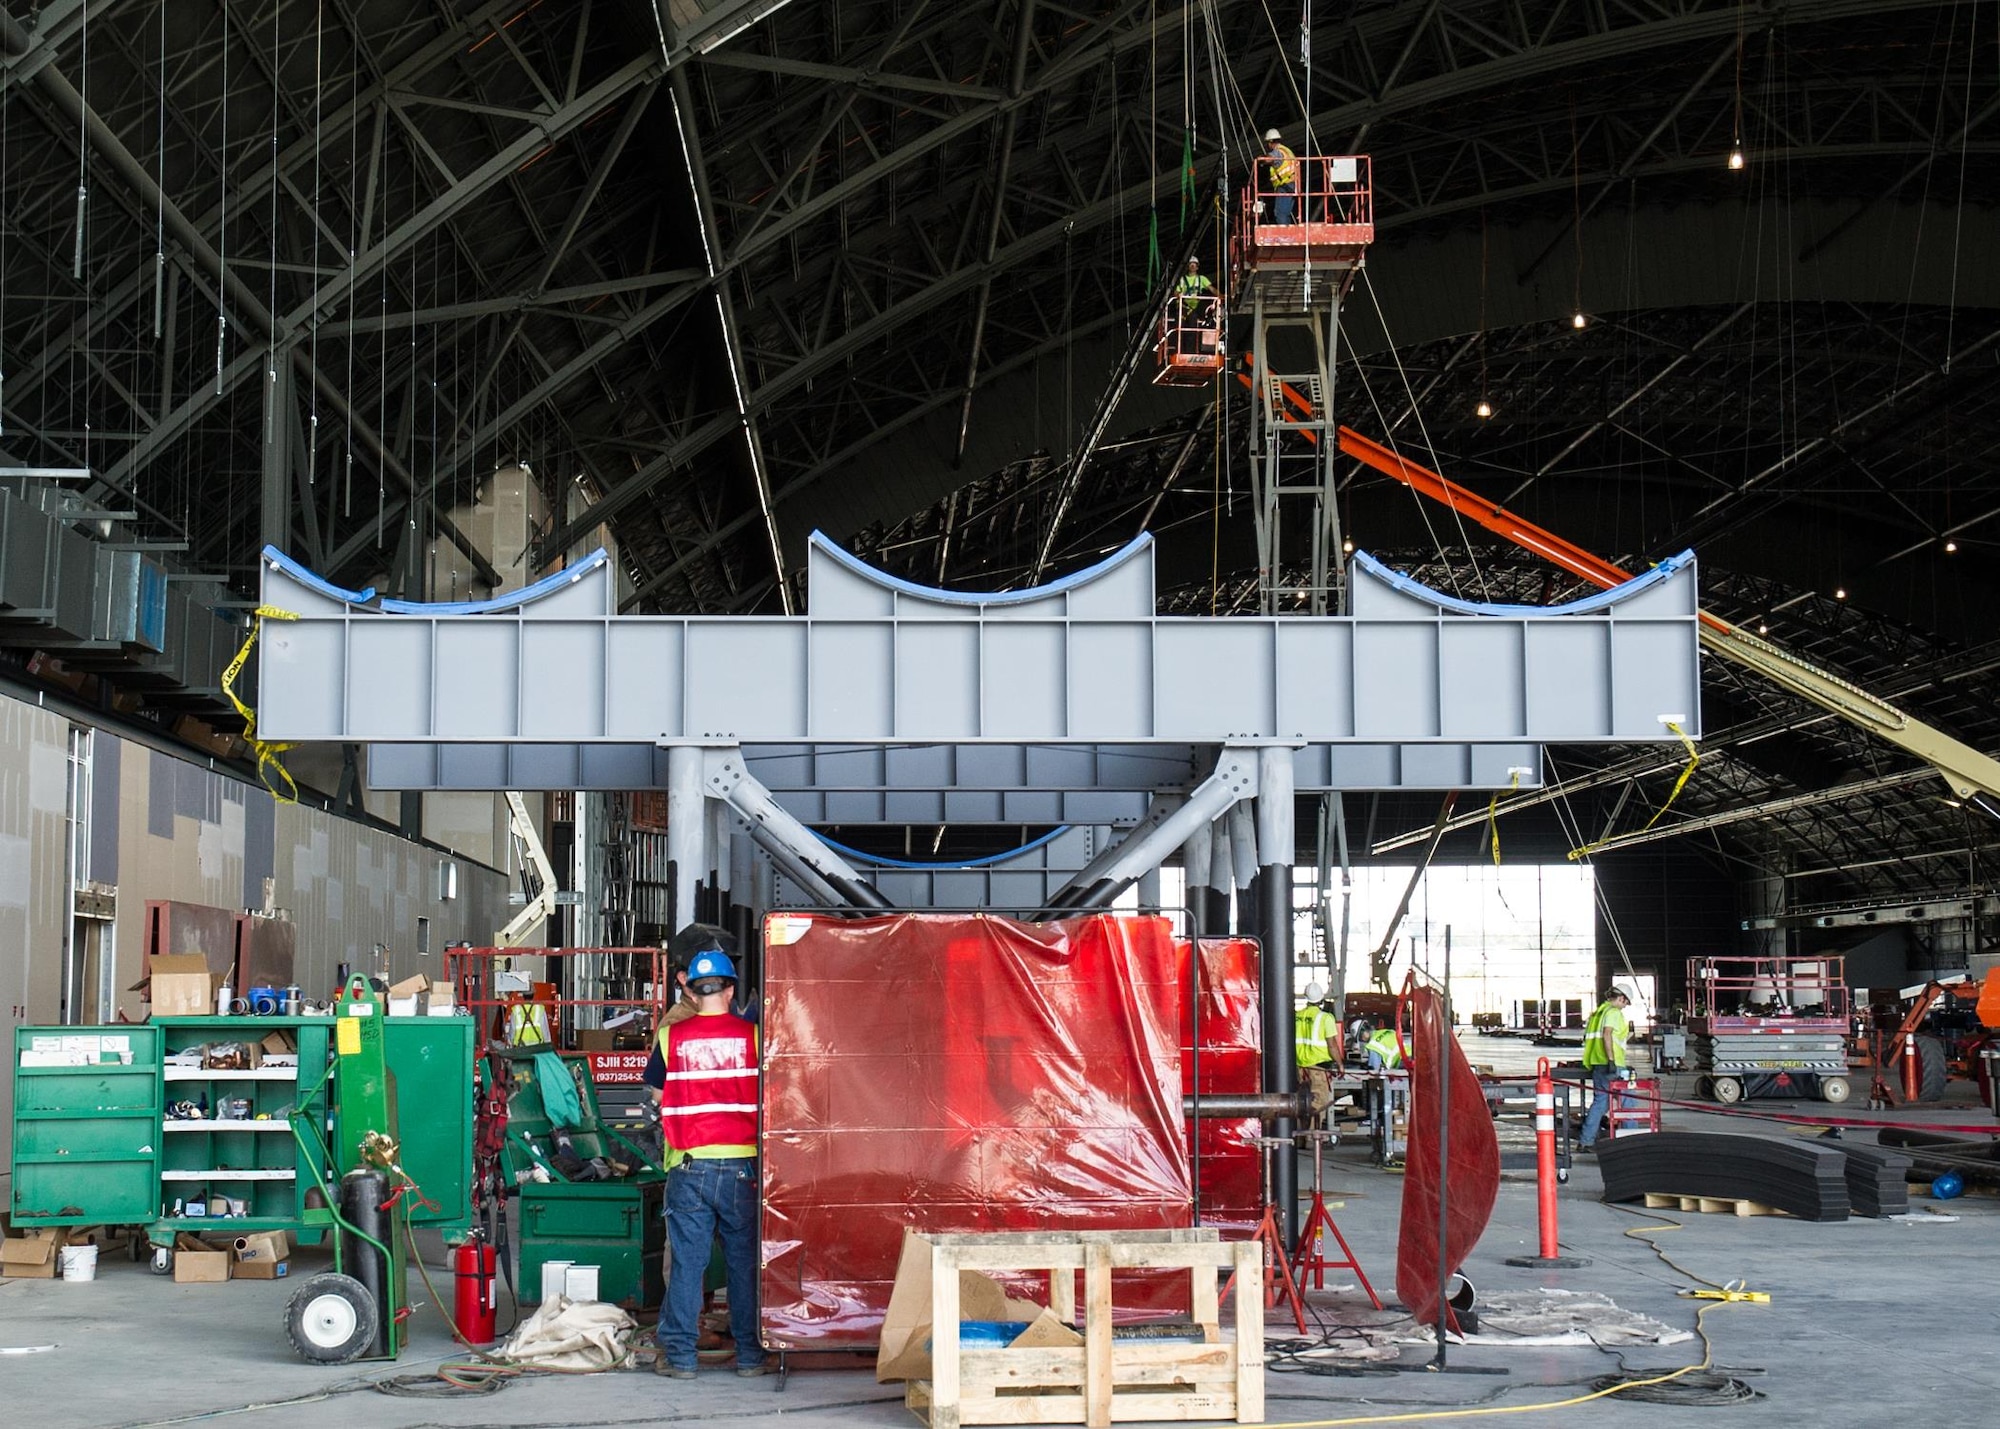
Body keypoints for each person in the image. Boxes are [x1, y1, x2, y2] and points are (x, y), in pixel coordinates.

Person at [646, 947, 768, 1380]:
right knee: (743, 1264)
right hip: (743, 1168)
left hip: (689, 1165)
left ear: (694, 994)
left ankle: (680, 1358)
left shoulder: (670, 1038)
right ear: (730, 989)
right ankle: (751, 1356)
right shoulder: (754, 1036)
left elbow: (659, 1097)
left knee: (687, 1265)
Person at [1578, 987, 1633, 1150]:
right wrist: (1611, 1060)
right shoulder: (1614, 1012)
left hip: (1597, 1063)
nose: (1625, 1006)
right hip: (1612, 1065)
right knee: (1628, 1100)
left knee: (1601, 1102)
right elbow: (1607, 1034)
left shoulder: (1598, 1012)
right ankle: (1632, 1141)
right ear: (1621, 998)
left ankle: (1586, 1141)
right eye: (1626, 1002)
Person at [1294, 981, 1338, 1123]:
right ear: (1321, 998)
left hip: (1299, 1067)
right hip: (1318, 1067)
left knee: (1300, 1102)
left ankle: (1299, 1136)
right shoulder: (1325, 1018)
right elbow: (1332, 1045)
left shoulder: (1296, 1016)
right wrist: (1340, 1064)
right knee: (1318, 1103)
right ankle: (1312, 1139)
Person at [1262, 128, 1298, 223]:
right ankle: (1289, 233)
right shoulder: (1287, 151)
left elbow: (1269, 159)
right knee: (1285, 213)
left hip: (1285, 185)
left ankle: (1286, 236)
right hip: (1292, 184)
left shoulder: (1278, 151)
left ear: (1270, 142)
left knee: (1280, 213)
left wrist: (1261, 159)